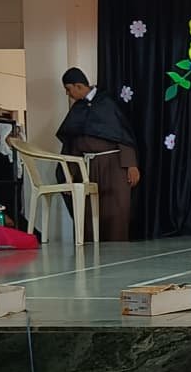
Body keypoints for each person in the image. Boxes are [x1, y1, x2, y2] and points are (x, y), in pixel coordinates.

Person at [57, 67, 140, 241]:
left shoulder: (107, 103)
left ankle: (117, 252)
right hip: (87, 167)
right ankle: (90, 252)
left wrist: (131, 165)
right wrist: (69, 173)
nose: (67, 94)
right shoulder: (78, 109)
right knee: (88, 212)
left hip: (114, 165)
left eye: (68, 89)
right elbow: (72, 144)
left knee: (116, 210)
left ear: (79, 86)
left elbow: (123, 135)